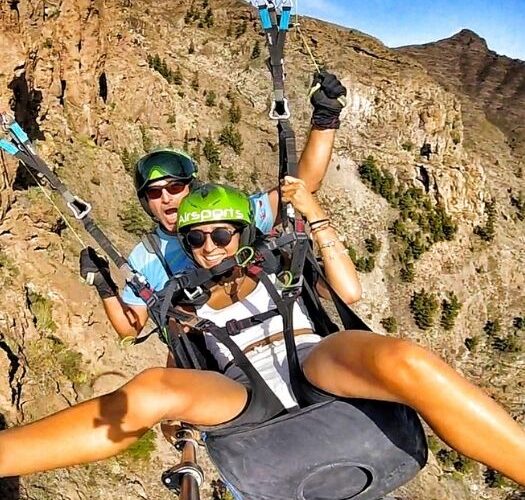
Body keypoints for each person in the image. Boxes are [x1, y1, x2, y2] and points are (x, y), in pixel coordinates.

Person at [1, 179, 524, 487]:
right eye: (196, 238)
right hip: (238, 391)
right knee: (152, 390)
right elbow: (174, 380)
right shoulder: (183, 296)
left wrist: (314, 211)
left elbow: (350, 291)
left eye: (221, 234)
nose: (209, 247)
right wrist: (174, 419)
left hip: (313, 361)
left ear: (244, 235)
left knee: (405, 362)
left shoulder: (279, 265)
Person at [79, 71, 348, 341]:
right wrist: (104, 287)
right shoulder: (147, 256)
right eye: (155, 193)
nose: (166, 198)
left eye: (175, 188)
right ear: (146, 202)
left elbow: (301, 186)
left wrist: (325, 121)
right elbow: (131, 328)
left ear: (190, 188)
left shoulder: (231, 214)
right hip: (213, 351)